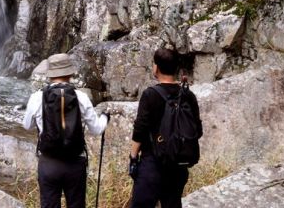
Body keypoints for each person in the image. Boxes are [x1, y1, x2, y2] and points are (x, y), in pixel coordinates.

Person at [23, 53, 109, 208]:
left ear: (50, 75)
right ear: (69, 73)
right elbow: (97, 129)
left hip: (48, 163)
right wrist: (104, 118)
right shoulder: (81, 97)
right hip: (74, 164)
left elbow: (26, 125)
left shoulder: (37, 97)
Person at [129, 47, 203, 208]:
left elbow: (140, 129)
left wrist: (133, 157)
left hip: (153, 165)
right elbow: (197, 131)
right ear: (177, 68)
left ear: (156, 67)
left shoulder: (150, 94)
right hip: (178, 167)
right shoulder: (188, 95)